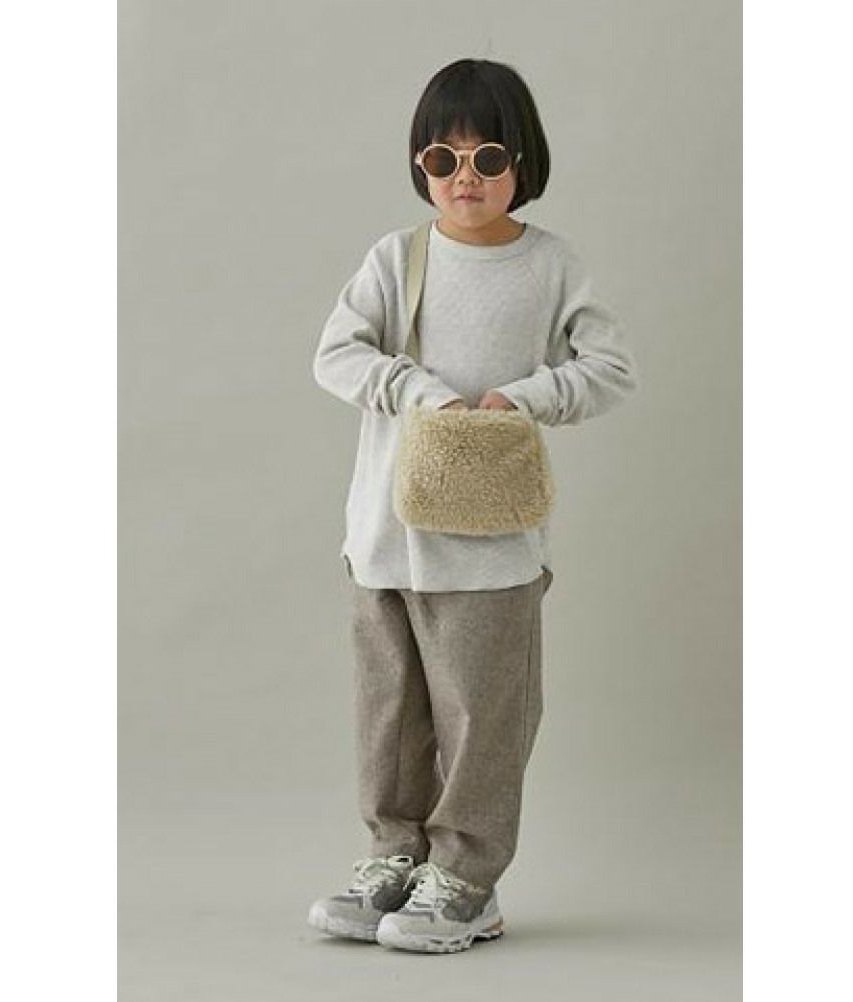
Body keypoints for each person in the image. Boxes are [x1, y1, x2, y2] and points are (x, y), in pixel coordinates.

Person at [307, 58, 639, 954]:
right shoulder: (396, 259)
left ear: (523, 162)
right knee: (389, 714)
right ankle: (395, 856)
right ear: (419, 166)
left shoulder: (551, 265)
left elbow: (610, 369)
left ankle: (466, 878)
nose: (466, 178)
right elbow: (336, 354)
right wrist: (418, 390)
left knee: (484, 717)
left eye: (488, 157)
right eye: (442, 160)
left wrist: (523, 399)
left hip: (492, 548)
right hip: (384, 535)